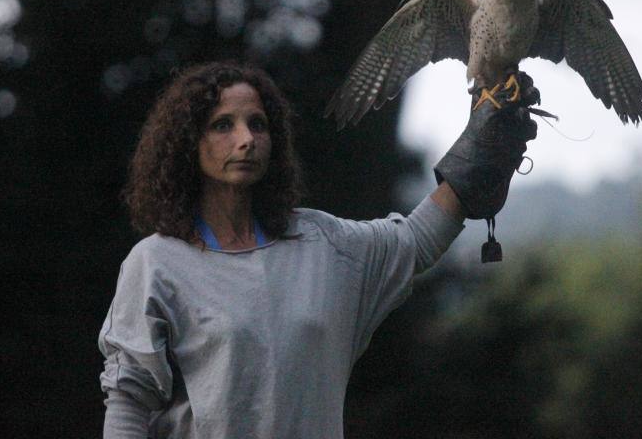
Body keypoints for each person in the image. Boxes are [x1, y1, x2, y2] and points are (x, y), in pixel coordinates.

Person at [98, 61, 538, 438]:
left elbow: (415, 241)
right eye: (222, 126)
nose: (246, 138)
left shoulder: (323, 246)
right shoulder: (158, 263)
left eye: (257, 123)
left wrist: (479, 153)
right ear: (187, 145)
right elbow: (129, 401)